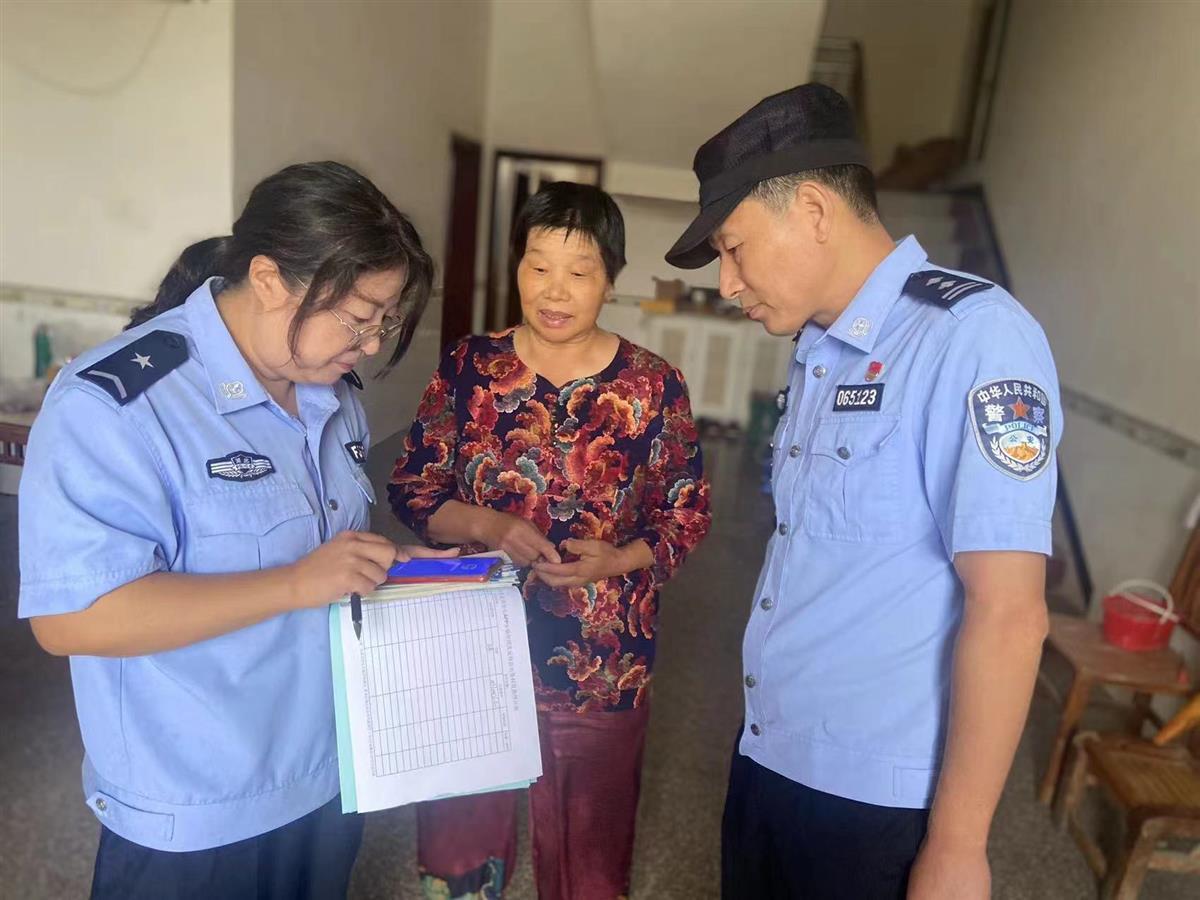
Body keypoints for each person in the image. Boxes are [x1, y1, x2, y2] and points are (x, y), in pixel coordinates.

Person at [18, 161, 455, 899]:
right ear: (269, 279)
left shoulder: (331, 393)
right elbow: (71, 619)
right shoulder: (120, 404)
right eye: (360, 318)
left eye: (385, 322)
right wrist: (294, 584)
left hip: (325, 773)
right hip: (196, 806)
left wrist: (382, 567)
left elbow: (325, 552)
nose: (373, 344)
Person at [664, 84, 1061, 899]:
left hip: (872, 804)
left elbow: (1009, 612)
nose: (728, 283)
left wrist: (958, 848)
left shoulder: (973, 337)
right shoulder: (820, 346)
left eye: (735, 248)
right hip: (769, 753)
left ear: (812, 209)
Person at [389, 181, 712, 900]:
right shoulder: (470, 367)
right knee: (460, 841)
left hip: (602, 654)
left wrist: (621, 558)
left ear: (611, 280)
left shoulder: (653, 386)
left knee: (589, 846)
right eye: (538, 266)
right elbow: (413, 488)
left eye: (579, 271)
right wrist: (491, 526)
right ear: (516, 267)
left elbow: (687, 511)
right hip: (471, 640)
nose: (554, 290)